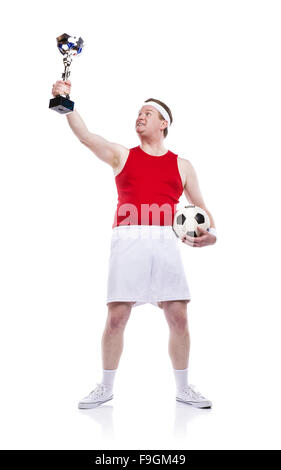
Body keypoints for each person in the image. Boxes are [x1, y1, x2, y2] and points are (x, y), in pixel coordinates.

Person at [51, 80, 217, 410]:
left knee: (179, 317)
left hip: (165, 245)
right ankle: (106, 387)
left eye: (147, 113)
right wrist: (64, 101)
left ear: (164, 123)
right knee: (116, 318)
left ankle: (183, 389)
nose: (139, 117)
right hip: (128, 242)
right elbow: (86, 136)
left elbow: (202, 210)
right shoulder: (121, 155)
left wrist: (210, 234)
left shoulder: (182, 165)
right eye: (138, 113)